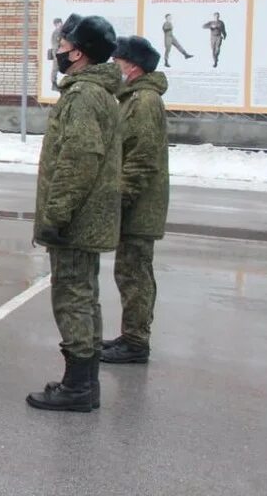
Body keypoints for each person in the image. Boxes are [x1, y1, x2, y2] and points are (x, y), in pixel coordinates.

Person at [27, 14, 121, 413]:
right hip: (88, 217)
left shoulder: (83, 95)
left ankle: (78, 387)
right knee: (85, 297)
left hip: (75, 220)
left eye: (63, 47)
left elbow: (80, 158)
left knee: (73, 298)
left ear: (79, 53)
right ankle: (84, 382)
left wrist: (56, 215)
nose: (58, 52)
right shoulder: (98, 92)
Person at [103, 36, 169, 365]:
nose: (114, 67)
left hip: (140, 206)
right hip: (137, 204)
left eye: (118, 62)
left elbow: (142, 158)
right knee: (128, 272)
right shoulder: (133, 98)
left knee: (135, 273)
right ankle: (131, 335)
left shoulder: (144, 101)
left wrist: (122, 198)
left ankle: (136, 342)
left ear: (133, 67)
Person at [48, 17, 63, 90]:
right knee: (56, 67)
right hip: (57, 51)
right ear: (56, 24)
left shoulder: (59, 31)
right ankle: (54, 84)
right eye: (59, 23)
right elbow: (57, 43)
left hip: (58, 51)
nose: (60, 24)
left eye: (60, 23)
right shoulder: (57, 32)